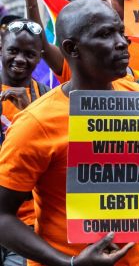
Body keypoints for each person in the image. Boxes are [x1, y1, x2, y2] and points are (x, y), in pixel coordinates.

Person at [0, 0, 139, 266]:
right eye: (104, 34)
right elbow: (2, 216)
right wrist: (71, 263)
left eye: (120, 32)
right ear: (71, 48)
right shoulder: (35, 122)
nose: (123, 42)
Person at [0, 19, 49, 266]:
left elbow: (54, 154)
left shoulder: (46, 98)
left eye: (29, 54)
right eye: (13, 51)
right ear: (1, 47)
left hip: (26, 226)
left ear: (40, 56)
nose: (20, 59)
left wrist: (30, 115)